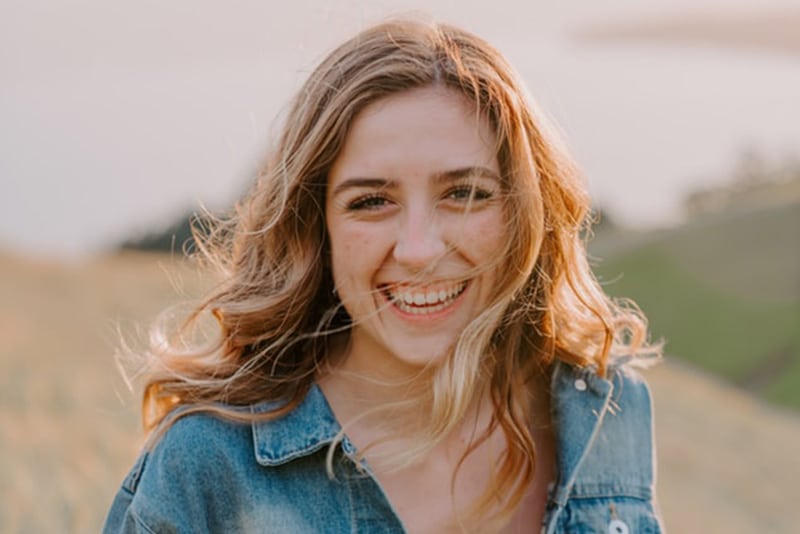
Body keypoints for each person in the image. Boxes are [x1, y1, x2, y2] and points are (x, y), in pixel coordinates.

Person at [104, 18, 664, 534]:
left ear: (524, 212)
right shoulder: (207, 467)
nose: (419, 250)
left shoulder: (604, 413)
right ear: (316, 227)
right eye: (371, 201)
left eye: (464, 194)